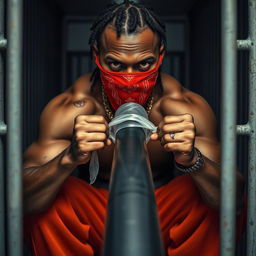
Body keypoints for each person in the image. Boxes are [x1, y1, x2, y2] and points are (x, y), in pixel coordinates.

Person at [23, 1, 246, 255]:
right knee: (53, 197)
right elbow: (23, 199)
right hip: (97, 214)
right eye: (116, 64)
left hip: (161, 209)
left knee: (201, 193)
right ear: (96, 55)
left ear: (160, 55)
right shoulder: (70, 109)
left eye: (143, 64)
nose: (130, 78)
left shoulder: (184, 107)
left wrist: (194, 159)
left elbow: (235, 199)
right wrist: (69, 158)